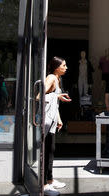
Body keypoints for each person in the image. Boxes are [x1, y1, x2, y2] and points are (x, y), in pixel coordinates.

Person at [43, 56, 72, 196]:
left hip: (52, 119)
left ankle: (49, 180)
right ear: (56, 67)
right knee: (46, 150)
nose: (66, 68)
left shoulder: (57, 79)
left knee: (51, 150)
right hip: (46, 121)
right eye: (64, 65)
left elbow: (54, 103)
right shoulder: (51, 78)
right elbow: (38, 96)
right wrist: (57, 97)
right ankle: (43, 185)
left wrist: (59, 119)